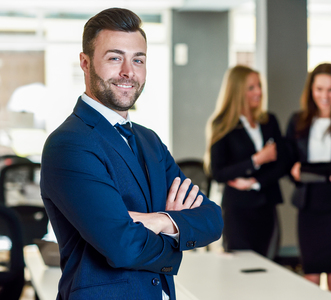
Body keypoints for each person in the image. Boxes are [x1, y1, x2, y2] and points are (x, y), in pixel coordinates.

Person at [40, 8, 223, 300]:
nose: (129, 71)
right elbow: (121, 245)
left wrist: (161, 220)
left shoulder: (149, 141)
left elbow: (213, 218)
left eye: (138, 59)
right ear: (85, 63)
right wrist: (176, 232)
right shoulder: (69, 144)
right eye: (115, 58)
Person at [285, 63, 331, 295]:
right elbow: (286, 162)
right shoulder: (297, 121)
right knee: (311, 276)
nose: (324, 96)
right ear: (311, 90)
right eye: (319, 89)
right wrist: (293, 171)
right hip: (309, 207)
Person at [205, 65, 286, 259]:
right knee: (240, 267)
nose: (259, 91)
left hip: (267, 204)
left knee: (268, 265)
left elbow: (283, 163)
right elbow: (217, 172)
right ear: (237, 91)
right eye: (251, 88)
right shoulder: (222, 124)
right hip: (237, 210)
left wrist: (255, 182)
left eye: (259, 86)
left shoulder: (269, 121)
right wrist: (256, 160)